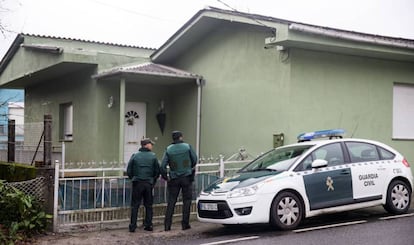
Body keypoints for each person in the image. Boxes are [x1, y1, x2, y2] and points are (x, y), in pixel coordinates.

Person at [161, 131, 198, 231]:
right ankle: (185, 224)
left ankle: (167, 225)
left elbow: (163, 165)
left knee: (171, 201)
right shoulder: (187, 147)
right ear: (181, 137)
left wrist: (166, 177)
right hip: (186, 176)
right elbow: (194, 159)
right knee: (187, 201)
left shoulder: (168, 149)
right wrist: (189, 167)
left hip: (174, 178)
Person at [126, 138, 160, 232]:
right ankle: (148, 225)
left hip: (137, 183)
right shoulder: (153, 156)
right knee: (148, 205)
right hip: (148, 183)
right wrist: (152, 180)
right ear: (146, 145)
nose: (152, 146)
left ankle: (132, 226)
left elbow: (129, 170)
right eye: (151, 144)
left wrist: (133, 178)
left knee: (135, 205)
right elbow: (157, 171)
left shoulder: (135, 156)